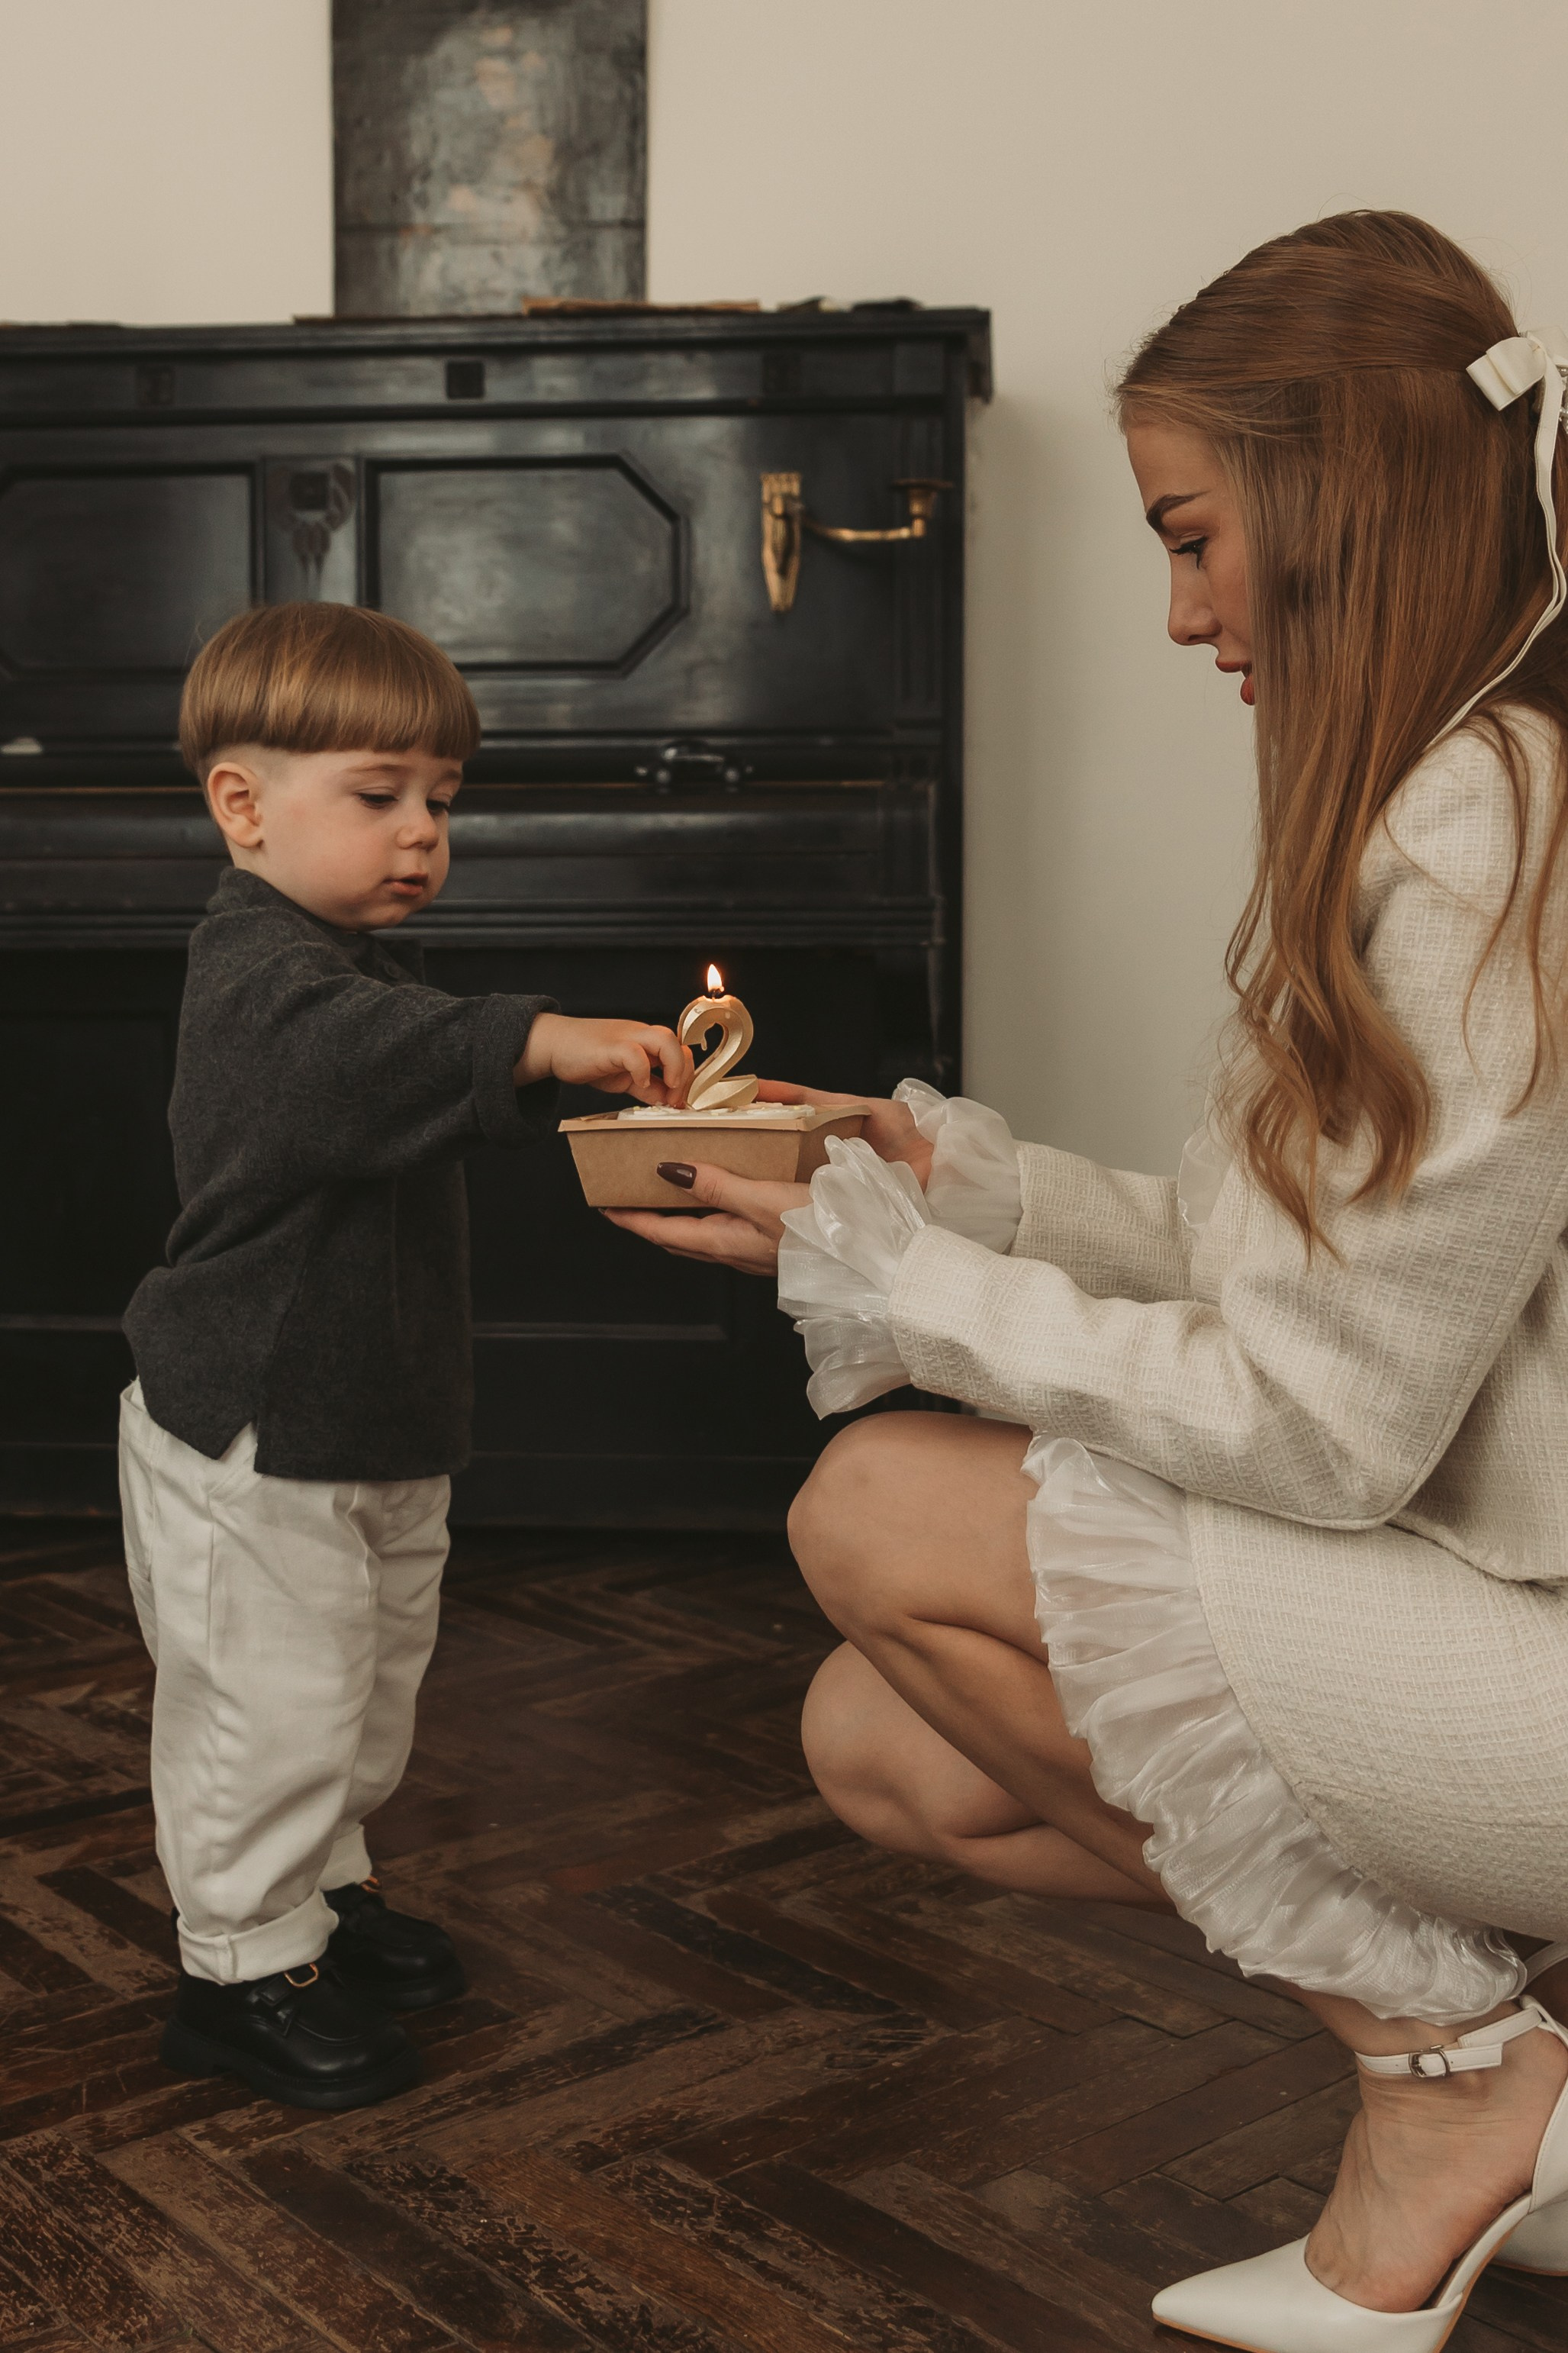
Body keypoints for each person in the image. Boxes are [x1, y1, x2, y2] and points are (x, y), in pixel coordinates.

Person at [610, 213, 1568, 2349]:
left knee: (874, 1513)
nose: (1179, 608)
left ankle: (1460, 2079)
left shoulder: (1496, 836)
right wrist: (942, 1184)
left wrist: (872, 1268)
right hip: (1494, 1598)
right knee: (890, 1740)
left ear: (1344, 498)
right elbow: (1292, 1279)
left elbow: (1320, 1427)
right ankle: (1519, 2058)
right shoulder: (1457, 792)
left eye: (1195, 533)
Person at [120, 601, 691, 2113]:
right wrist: (545, 1038)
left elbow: (411, 1073)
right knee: (271, 1700)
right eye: (379, 796)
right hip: (255, 1422)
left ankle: (325, 1895)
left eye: (440, 799)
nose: (422, 832)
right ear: (242, 804)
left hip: (370, 1418)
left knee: (365, 1684)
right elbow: (350, 1074)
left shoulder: (351, 963)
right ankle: (237, 1967)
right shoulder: (258, 968)